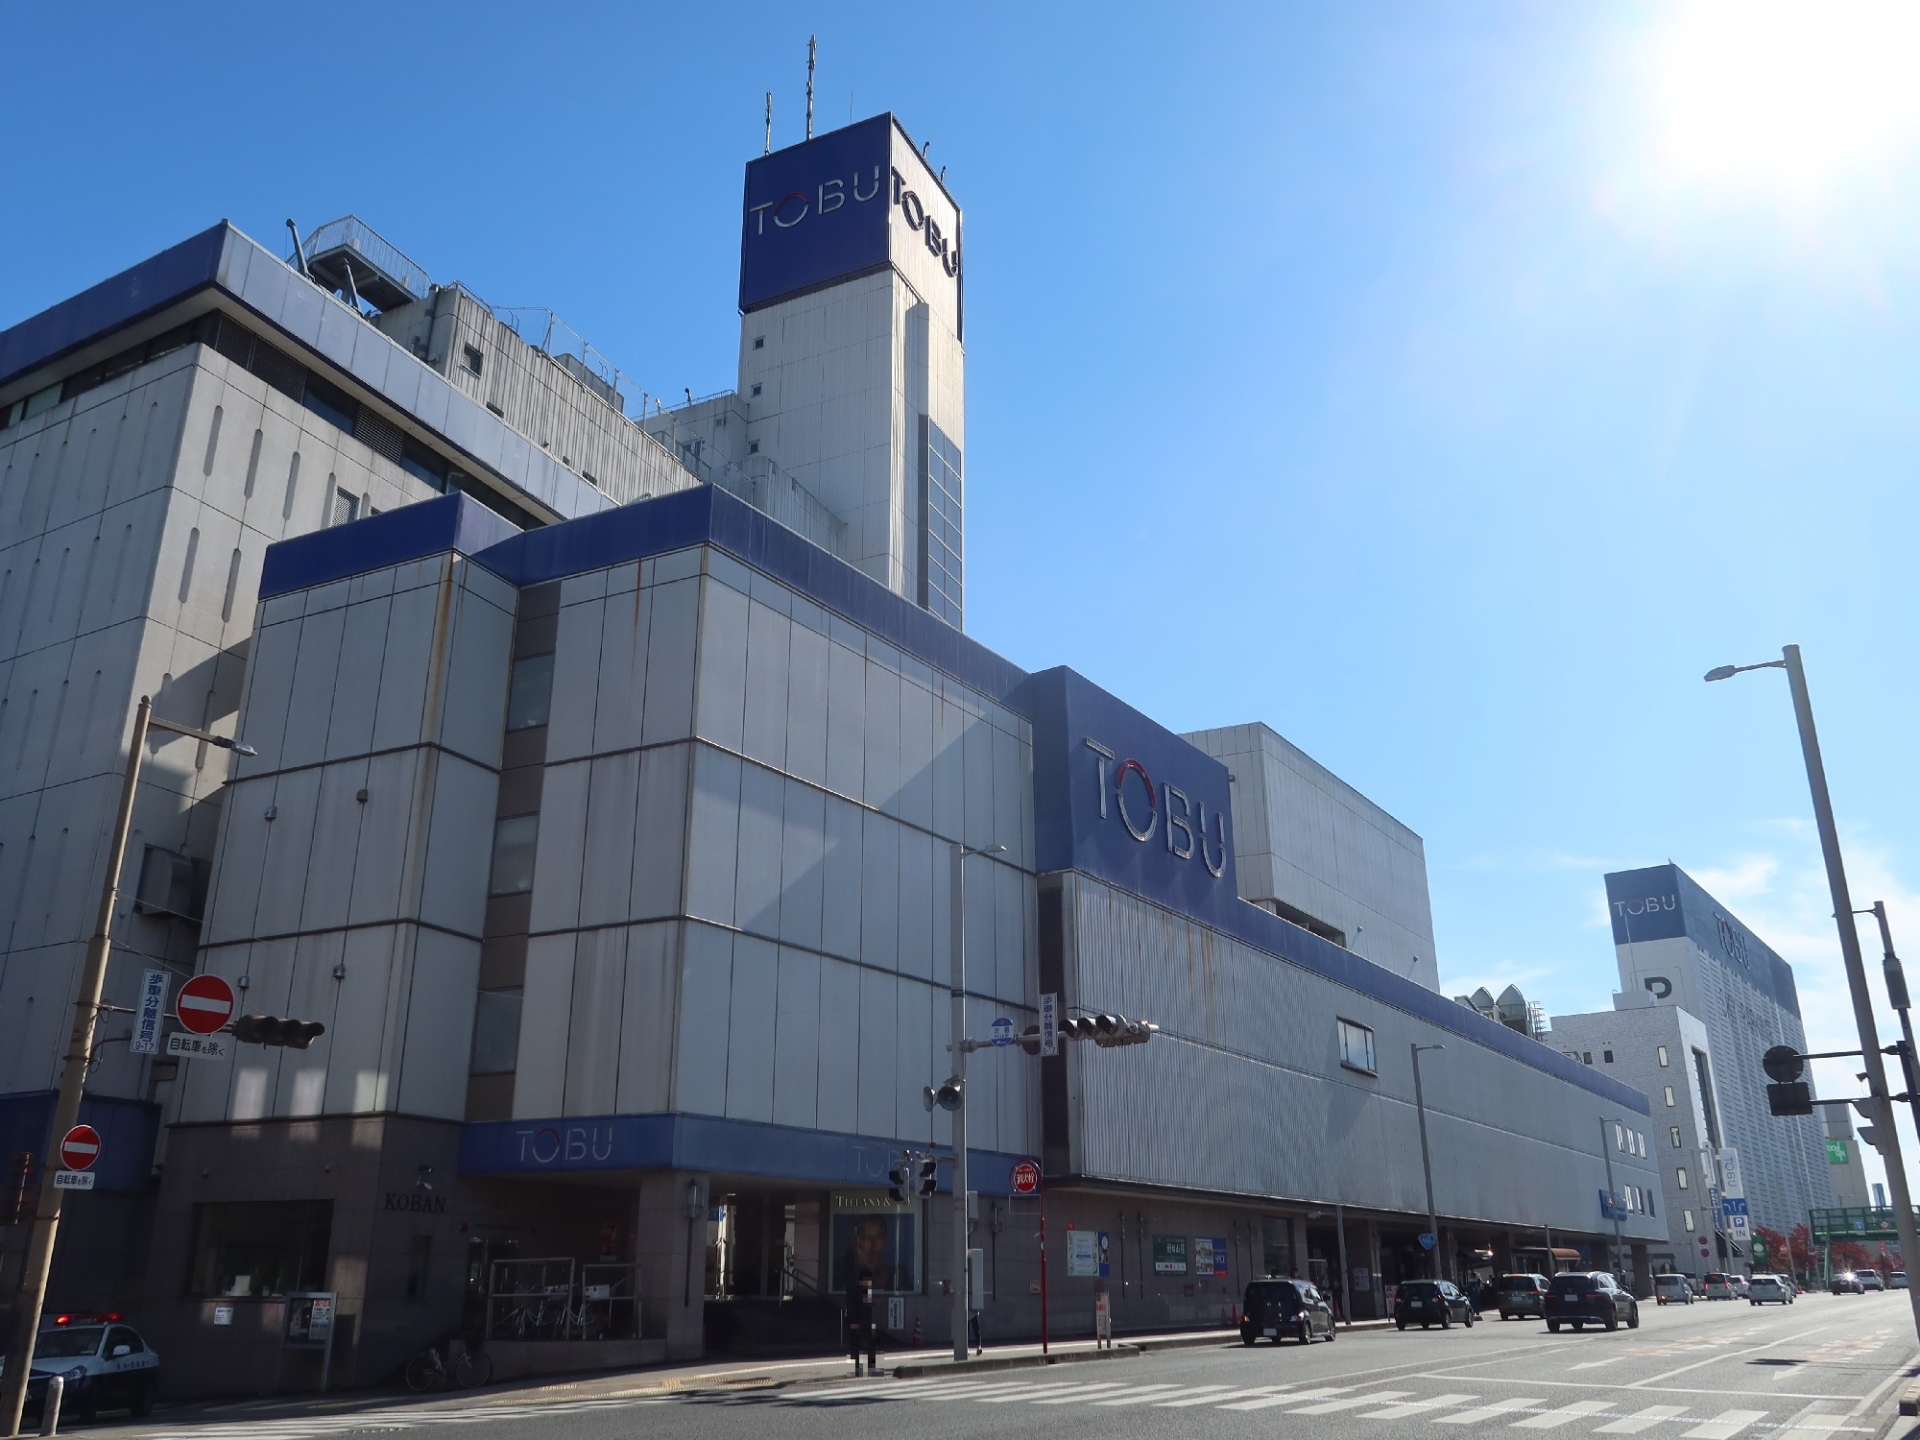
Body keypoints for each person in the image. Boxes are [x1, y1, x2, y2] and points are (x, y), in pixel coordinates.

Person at [846, 1274, 877, 1376]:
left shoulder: (867, 1291)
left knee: (870, 1345)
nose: (868, 1282)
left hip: (867, 1322)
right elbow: (852, 1308)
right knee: (857, 1346)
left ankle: (871, 1367)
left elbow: (868, 1306)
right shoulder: (854, 1292)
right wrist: (854, 1322)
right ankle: (858, 1368)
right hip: (858, 1321)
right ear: (861, 1280)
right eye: (866, 1280)